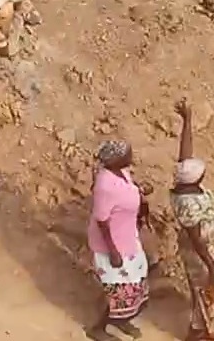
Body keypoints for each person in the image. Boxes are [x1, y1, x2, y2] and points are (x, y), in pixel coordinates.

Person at [170, 99, 214, 341]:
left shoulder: (185, 184)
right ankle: (199, 334)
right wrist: (211, 264)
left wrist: (187, 120)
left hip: (208, 247)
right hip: (200, 252)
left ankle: (200, 329)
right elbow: (195, 239)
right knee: (205, 289)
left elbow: (185, 155)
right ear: (196, 179)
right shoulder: (187, 204)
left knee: (207, 290)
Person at [87, 140, 151, 341]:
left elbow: (126, 191)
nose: (130, 155)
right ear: (115, 159)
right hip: (112, 246)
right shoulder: (105, 186)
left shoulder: (121, 172)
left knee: (134, 284)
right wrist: (113, 251)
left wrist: (138, 191)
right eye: (126, 153)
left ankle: (121, 320)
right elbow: (102, 221)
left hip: (128, 239)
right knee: (116, 290)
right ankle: (97, 329)